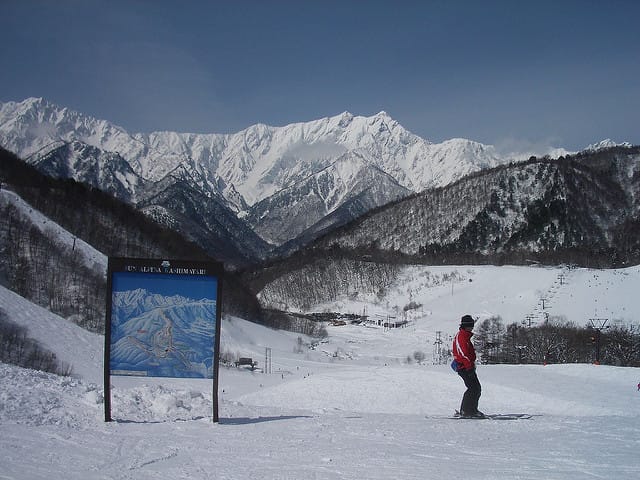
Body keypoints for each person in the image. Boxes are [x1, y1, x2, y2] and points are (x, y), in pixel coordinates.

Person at [452, 314, 483, 418]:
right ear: (466, 326)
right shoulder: (462, 336)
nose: (472, 328)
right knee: (473, 388)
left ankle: (470, 410)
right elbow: (463, 353)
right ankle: (467, 411)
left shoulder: (465, 336)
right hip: (464, 367)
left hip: (467, 366)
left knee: (475, 388)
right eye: (471, 325)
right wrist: (469, 367)